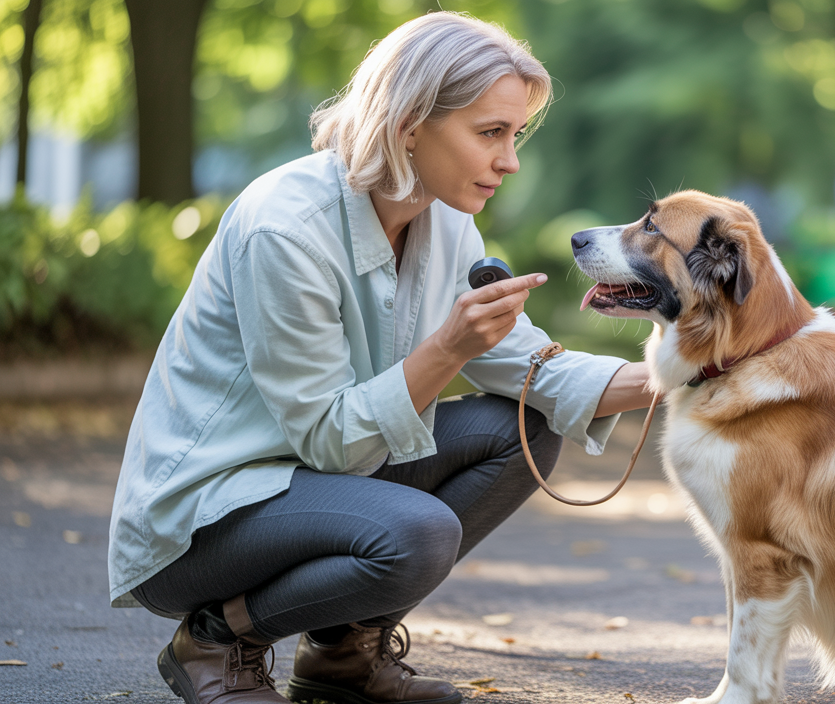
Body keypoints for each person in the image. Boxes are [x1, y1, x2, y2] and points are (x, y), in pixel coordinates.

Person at [106, 12, 652, 704]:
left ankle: (341, 654)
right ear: (409, 124)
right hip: (208, 517)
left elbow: (529, 368)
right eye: (491, 133)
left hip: (314, 482)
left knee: (526, 428)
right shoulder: (286, 227)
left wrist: (686, 375)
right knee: (419, 534)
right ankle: (215, 638)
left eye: (514, 135)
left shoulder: (447, 219)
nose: (510, 160)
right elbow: (329, 441)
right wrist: (449, 345)